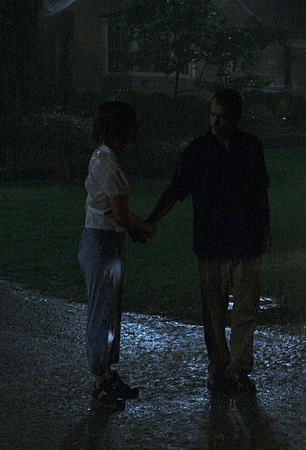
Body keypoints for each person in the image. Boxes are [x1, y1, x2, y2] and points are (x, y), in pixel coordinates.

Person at [146, 88, 272, 393]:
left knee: (245, 310)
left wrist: (264, 229)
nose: (215, 122)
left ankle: (238, 368)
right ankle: (219, 366)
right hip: (211, 243)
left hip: (245, 241)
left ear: (235, 118)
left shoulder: (249, 147)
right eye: (212, 115)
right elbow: (177, 189)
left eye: (221, 117)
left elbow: (260, 192)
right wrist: (152, 219)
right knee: (214, 312)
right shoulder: (199, 150)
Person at [77, 100, 155, 409]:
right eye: (132, 125)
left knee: (108, 311)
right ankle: (100, 380)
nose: (137, 130)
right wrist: (144, 227)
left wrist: (132, 231)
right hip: (101, 241)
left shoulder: (105, 158)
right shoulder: (107, 162)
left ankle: (107, 375)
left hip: (106, 239)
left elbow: (116, 214)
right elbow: (120, 213)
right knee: (102, 312)